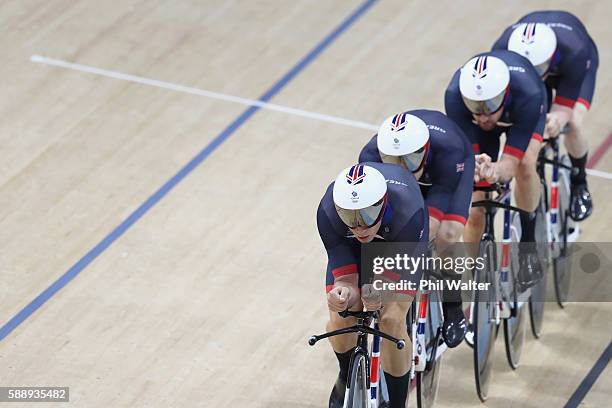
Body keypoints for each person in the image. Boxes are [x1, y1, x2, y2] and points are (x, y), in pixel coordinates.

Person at [358, 110, 475, 348]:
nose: (402, 169)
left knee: (447, 234)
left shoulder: (447, 149)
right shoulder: (369, 156)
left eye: (409, 160)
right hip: (401, 189)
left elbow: (433, 217)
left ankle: (453, 305)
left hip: (444, 177)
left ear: (424, 151)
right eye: (393, 161)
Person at [317, 162, 428, 408]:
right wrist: (343, 292)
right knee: (342, 313)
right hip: (353, 249)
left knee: (390, 320)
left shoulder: (407, 211)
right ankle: (346, 374)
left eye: (366, 216)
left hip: (400, 241)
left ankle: (398, 403)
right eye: (349, 217)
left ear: (382, 204)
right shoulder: (327, 212)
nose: (358, 227)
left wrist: (380, 292)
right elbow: (344, 275)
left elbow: (387, 281)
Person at [445, 51, 548, 288]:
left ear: (504, 94)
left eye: (490, 106)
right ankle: (473, 279)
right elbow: (467, 154)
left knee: (525, 165)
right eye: (475, 106)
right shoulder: (454, 96)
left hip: (523, 115)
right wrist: (478, 168)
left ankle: (528, 245)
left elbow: (509, 165)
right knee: (475, 205)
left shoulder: (528, 94)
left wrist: (496, 170)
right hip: (483, 130)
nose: (483, 115)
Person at [492, 11, 598, 221]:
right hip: (523, 77)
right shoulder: (501, 51)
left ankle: (579, 180)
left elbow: (564, 108)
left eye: (538, 67)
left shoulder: (575, 50)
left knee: (572, 121)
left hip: (571, 69)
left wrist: (557, 120)